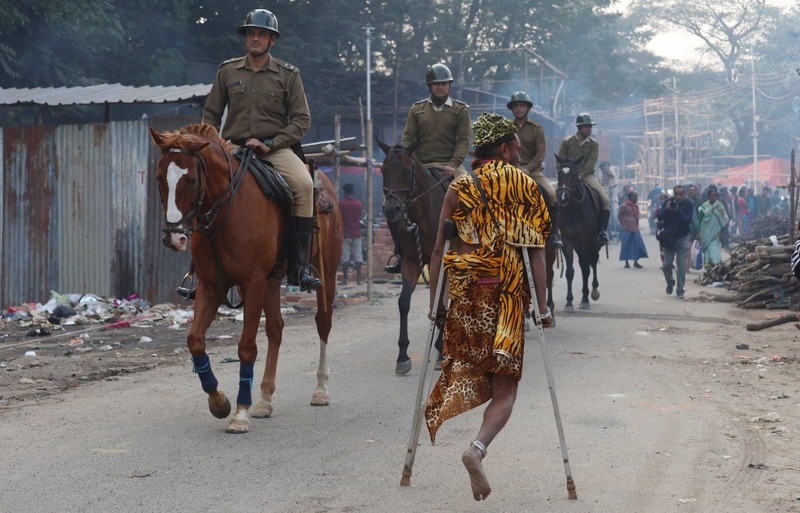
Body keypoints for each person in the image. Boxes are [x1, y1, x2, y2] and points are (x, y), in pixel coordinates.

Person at [425, 112, 552, 501]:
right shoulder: (526, 186)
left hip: (466, 299)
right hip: (508, 298)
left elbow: (438, 248)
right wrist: (543, 309)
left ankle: (461, 449)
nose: (518, 151)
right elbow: (536, 255)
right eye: (514, 145)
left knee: (468, 366)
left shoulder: (458, 187)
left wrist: (435, 305)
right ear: (502, 148)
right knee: (505, 391)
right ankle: (476, 448)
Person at [202, 8, 320, 292]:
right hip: (233, 147)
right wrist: (214, 145)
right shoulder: (227, 71)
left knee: (304, 185)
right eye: (251, 33)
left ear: (272, 40)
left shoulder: (288, 75)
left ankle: (299, 265)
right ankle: (199, 268)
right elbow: (210, 115)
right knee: (200, 185)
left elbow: (302, 120)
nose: (256, 38)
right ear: (246, 37)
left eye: (262, 34)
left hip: (273, 148)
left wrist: (271, 144)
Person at [384, 63, 471, 273]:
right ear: (429, 86)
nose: (440, 87)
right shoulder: (417, 110)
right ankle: (400, 253)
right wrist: (409, 161)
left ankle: (472, 249)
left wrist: (453, 163)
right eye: (436, 84)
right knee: (391, 203)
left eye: (444, 84)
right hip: (420, 166)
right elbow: (408, 139)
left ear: (449, 85)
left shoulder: (460, 110)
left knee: (473, 195)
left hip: (451, 166)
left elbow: (463, 141)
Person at [507, 91, 561, 247]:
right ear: (512, 109)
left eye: (522, 105)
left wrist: (528, 169)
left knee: (551, 195)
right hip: (510, 169)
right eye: (516, 106)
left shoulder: (537, 128)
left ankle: (553, 234)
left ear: (528, 108)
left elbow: (541, 154)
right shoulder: (506, 129)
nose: (519, 109)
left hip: (533, 170)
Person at [557, 113, 610, 244]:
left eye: (590, 126)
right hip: (567, 177)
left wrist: (580, 175)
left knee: (605, 200)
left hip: (587, 176)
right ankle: (554, 232)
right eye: (586, 126)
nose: (589, 129)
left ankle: (602, 231)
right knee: (553, 199)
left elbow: (591, 163)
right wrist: (565, 174)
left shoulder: (593, 144)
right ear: (579, 127)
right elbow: (559, 162)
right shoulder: (566, 142)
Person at [657, 185, 694, 300]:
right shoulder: (668, 202)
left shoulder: (688, 204)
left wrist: (677, 211)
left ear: (685, 193)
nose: (678, 196)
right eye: (676, 194)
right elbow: (659, 217)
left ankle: (680, 290)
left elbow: (687, 220)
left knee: (681, 265)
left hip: (683, 237)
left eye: (681, 194)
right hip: (670, 238)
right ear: (673, 193)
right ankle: (670, 281)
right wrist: (666, 209)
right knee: (667, 264)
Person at [697, 187, 729, 269]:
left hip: (716, 233)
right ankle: (708, 268)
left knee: (714, 249)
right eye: (711, 195)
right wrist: (698, 232)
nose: (713, 196)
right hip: (705, 232)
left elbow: (723, 220)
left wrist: (722, 232)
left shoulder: (719, 206)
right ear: (708, 196)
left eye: (715, 195)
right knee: (707, 250)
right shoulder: (704, 206)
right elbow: (700, 220)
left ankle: (716, 264)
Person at [339, 183, 363, 285]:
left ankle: (345, 279)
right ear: (353, 192)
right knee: (358, 257)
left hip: (345, 233)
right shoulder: (358, 204)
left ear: (345, 192)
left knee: (345, 257)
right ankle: (359, 280)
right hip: (356, 232)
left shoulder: (341, 204)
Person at [618, 191, 647, 268]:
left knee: (638, 246)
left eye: (636, 197)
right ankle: (626, 262)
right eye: (634, 197)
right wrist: (624, 223)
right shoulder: (623, 206)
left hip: (635, 228)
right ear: (630, 198)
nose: (636, 199)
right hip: (626, 228)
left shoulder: (636, 206)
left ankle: (636, 261)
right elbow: (619, 216)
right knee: (626, 246)